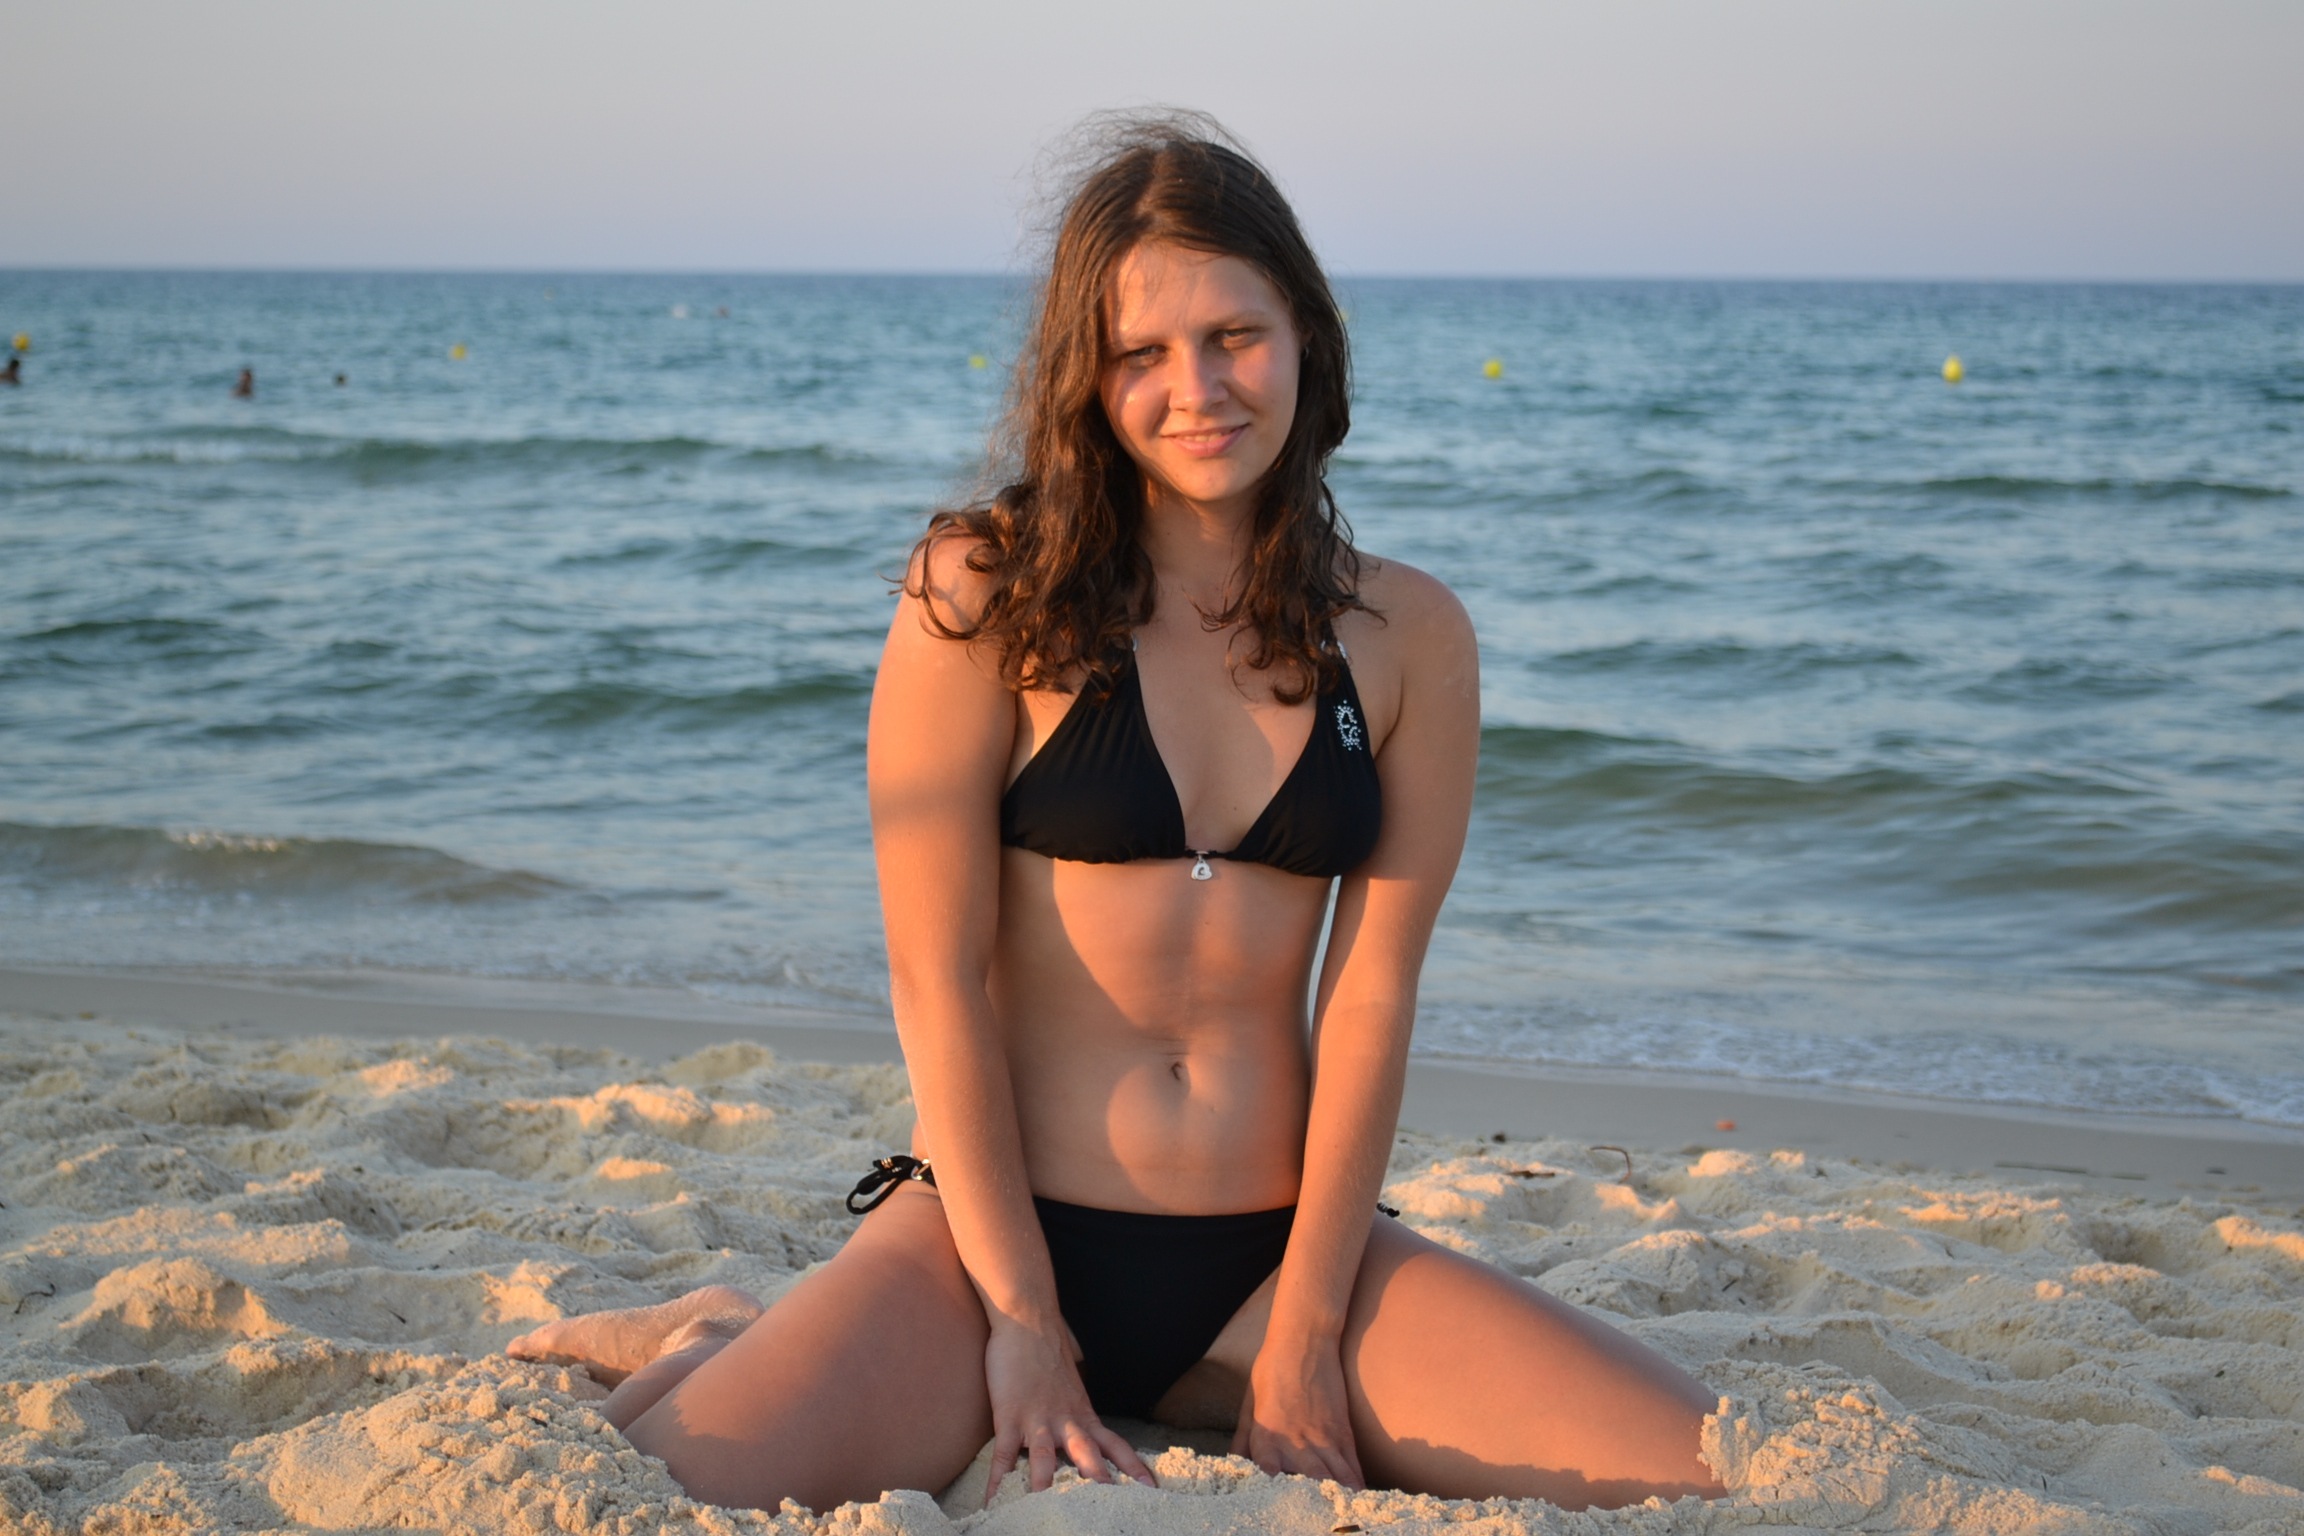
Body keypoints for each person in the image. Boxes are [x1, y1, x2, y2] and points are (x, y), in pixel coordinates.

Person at [509, 112, 1724, 1515]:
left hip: (1274, 1261)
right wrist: (1025, 1324)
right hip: (987, 1257)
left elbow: (1372, 997)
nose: (1195, 389)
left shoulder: (1409, 637)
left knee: (1710, 1470)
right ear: (1085, 377)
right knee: (673, 1489)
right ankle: (717, 1331)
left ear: (1307, 334)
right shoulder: (983, 592)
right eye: (1141, 352)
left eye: (1235, 335)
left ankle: (1200, 1362)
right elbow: (937, 978)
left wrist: (1310, 1327)